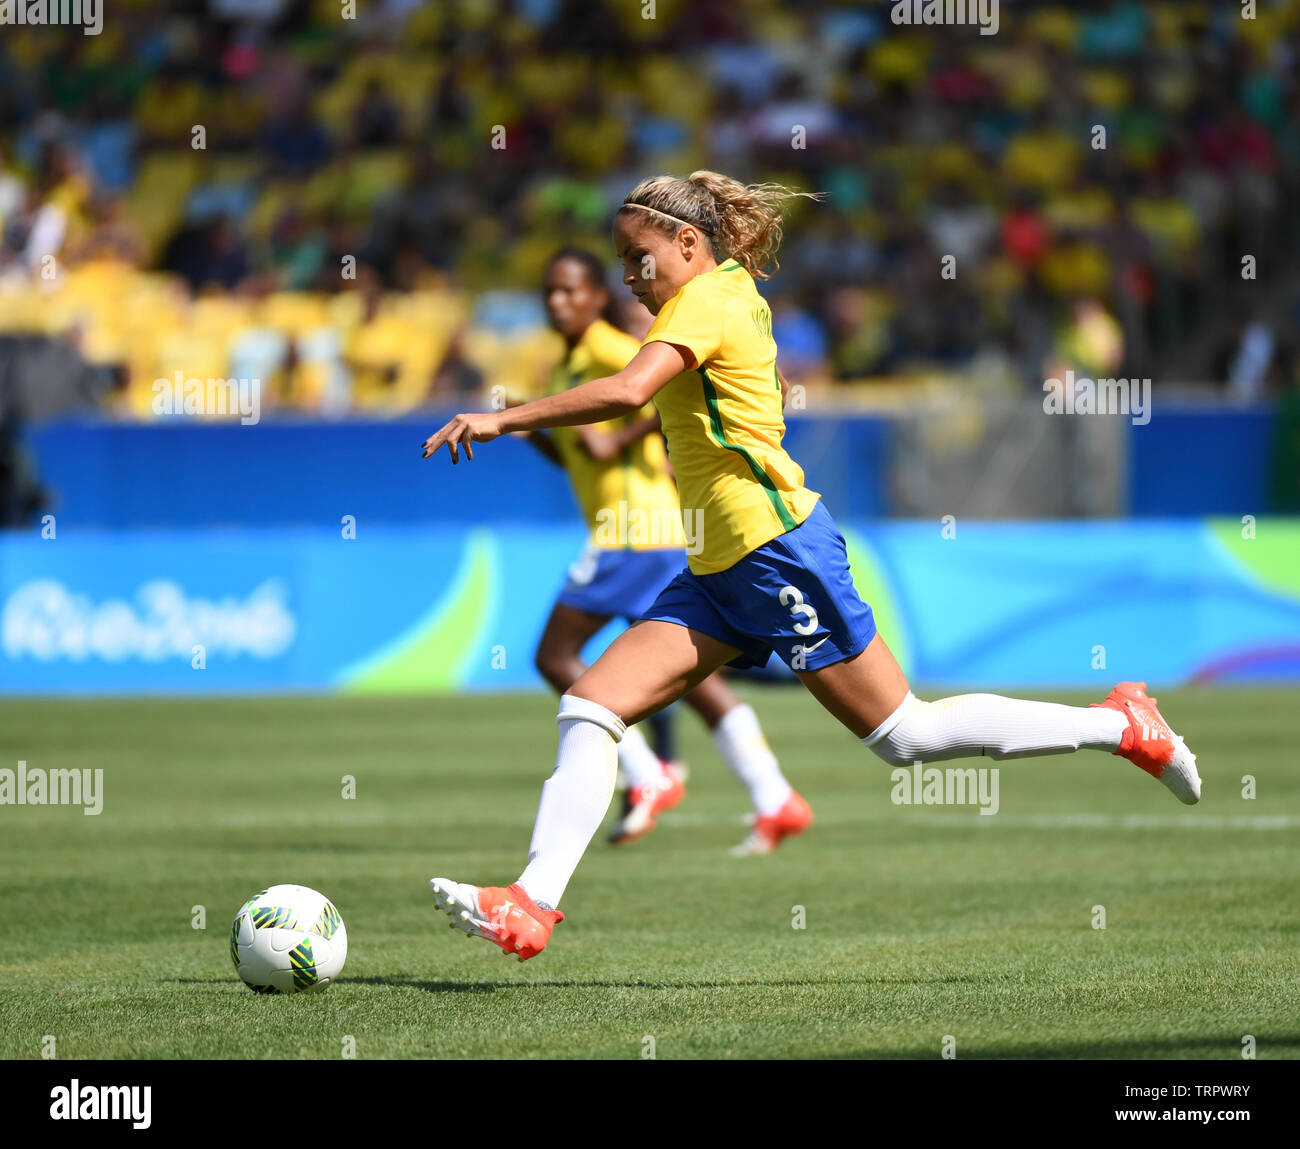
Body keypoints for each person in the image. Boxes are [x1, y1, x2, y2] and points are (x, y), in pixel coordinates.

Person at [421, 171, 1201, 962]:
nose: (629, 276)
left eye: (638, 257)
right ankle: (531, 901)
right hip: (718, 565)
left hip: (774, 550)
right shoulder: (721, 288)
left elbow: (628, 392)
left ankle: (1122, 725)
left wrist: (501, 418)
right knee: (590, 704)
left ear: (688, 244)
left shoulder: (707, 302)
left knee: (907, 735)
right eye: (621, 260)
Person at [522, 246, 812, 851]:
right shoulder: (563, 367)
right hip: (647, 533)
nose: (558, 303)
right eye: (549, 293)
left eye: (570, 290)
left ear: (599, 297)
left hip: (632, 530)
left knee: (555, 655)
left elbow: (661, 386)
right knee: (693, 675)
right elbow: (577, 446)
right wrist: (532, 430)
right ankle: (773, 794)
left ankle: (648, 774)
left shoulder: (608, 348)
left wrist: (621, 437)